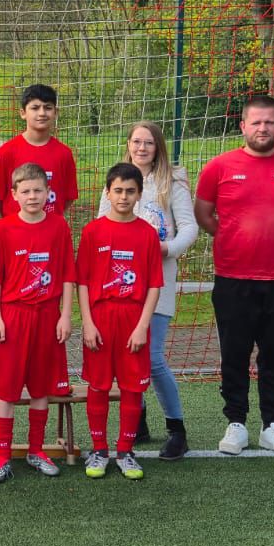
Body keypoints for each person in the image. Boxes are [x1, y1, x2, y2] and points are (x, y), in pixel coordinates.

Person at [193, 94, 274, 458]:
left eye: (270, 122)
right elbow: (204, 214)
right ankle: (236, 423)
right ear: (243, 127)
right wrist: (235, 235)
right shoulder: (219, 166)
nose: (263, 128)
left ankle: (272, 425)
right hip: (233, 278)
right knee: (233, 353)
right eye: (256, 122)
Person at [97, 121, 199, 459]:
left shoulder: (173, 179)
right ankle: (136, 423)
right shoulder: (117, 180)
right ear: (128, 144)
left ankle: (177, 429)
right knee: (128, 355)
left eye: (149, 143)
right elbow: (102, 227)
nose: (142, 148)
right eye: (136, 142)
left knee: (152, 357)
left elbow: (189, 226)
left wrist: (166, 249)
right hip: (120, 285)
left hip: (158, 278)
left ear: (158, 147)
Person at [0, 162, 75, 482]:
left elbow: (67, 274)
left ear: (48, 193)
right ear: (14, 195)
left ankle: (36, 450)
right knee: (7, 391)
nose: (33, 196)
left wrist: (65, 314)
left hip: (48, 316)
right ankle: (2, 455)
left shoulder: (59, 227)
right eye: (26, 191)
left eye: (38, 190)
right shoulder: (4, 229)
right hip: (13, 314)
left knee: (40, 388)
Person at [79, 162, 165, 480]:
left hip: (133, 318)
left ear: (139, 195)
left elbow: (155, 285)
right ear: (108, 192)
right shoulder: (93, 231)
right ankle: (99, 450)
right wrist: (87, 322)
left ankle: (126, 452)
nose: (124, 197)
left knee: (132, 387)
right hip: (100, 317)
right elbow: (83, 283)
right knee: (98, 386)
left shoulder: (146, 234)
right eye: (118, 190)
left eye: (130, 191)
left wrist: (143, 325)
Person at [0, 83, 79, 220]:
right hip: (16, 231)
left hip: (50, 231)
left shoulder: (64, 153)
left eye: (48, 108)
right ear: (23, 113)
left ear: (55, 112)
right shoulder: (7, 151)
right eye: (35, 108)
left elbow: (69, 196)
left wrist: (49, 218)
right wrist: (15, 219)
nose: (42, 113)